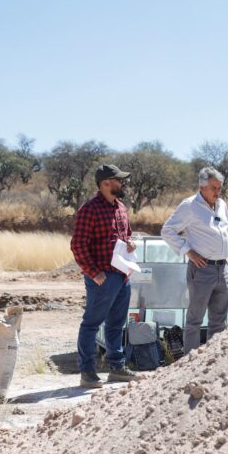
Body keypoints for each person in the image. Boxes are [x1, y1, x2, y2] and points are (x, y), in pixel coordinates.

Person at [71, 164, 140, 389]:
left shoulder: (120, 207)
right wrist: (94, 273)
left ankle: (117, 368)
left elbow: (126, 234)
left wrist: (130, 243)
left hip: (122, 276)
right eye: (118, 180)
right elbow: (77, 246)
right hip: (102, 278)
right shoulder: (89, 210)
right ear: (105, 183)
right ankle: (88, 371)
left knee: (116, 324)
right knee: (92, 324)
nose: (122, 184)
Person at [161, 167, 228, 354]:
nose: (217, 192)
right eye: (213, 188)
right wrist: (188, 251)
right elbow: (167, 230)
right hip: (202, 270)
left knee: (219, 320)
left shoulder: (222, 205)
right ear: (201, 187)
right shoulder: (189, 206)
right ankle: (189, 364)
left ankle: (213, 360)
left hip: (222, 269)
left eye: (219, 188)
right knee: (195, 320)